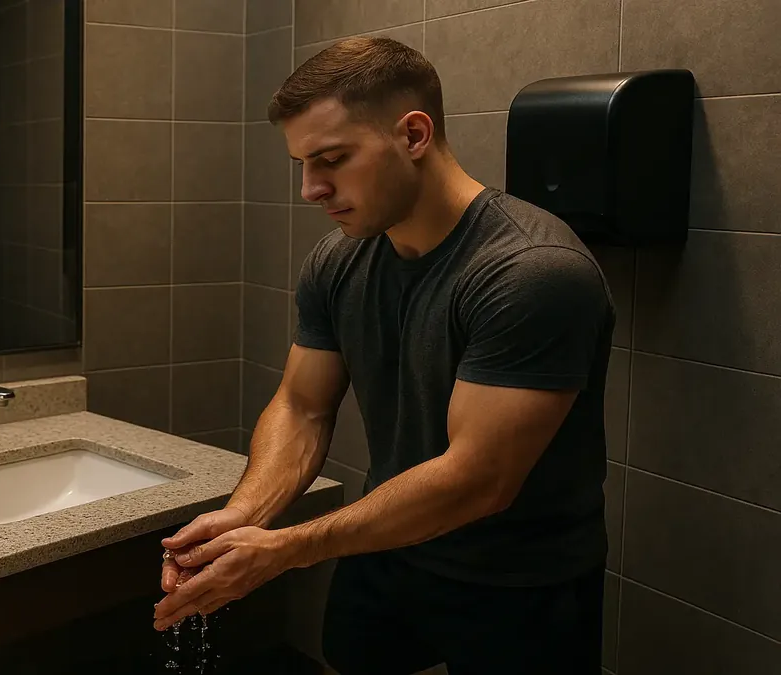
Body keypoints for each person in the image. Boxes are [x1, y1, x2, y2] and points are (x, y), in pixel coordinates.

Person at [153, 37, 614, 675]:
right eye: (302, 164)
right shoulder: (339, 260)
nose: (311, 189)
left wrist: (286, 548)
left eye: (333, 159)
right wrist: (243, 514)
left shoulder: (531, 271)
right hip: (386, 549)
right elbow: (302, 405)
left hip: (519, 580)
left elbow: (479, 480)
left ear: (415, 134)